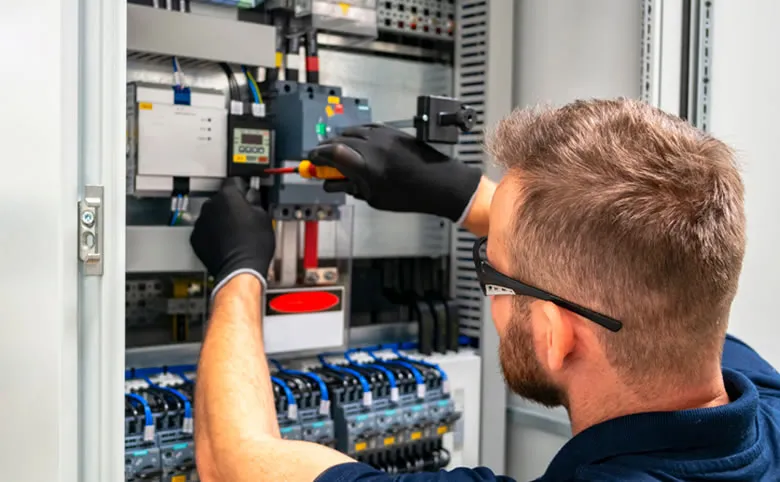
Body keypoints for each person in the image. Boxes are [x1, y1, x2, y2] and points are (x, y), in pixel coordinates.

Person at [188, 99, 780, 481]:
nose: (489, 289)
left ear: (554, 336)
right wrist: (464, 194)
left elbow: (232, 461)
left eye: (492, 273)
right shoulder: (759, 401)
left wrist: (240, 270)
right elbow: (643, 266)